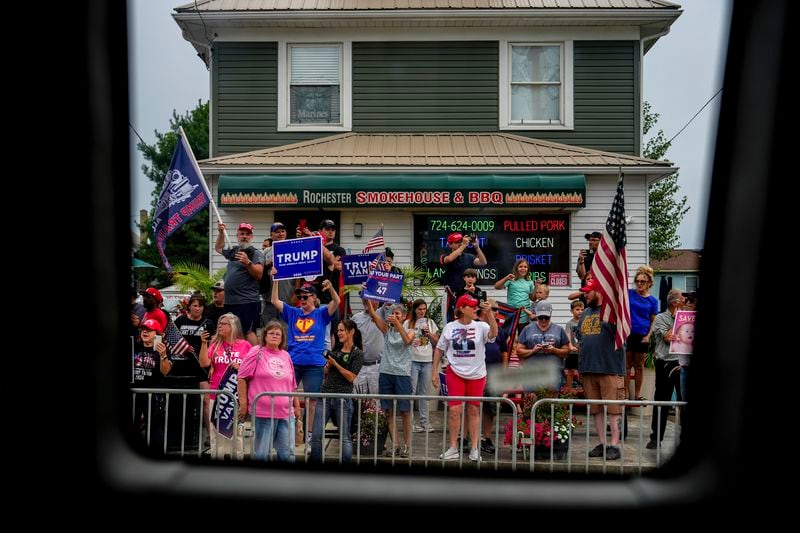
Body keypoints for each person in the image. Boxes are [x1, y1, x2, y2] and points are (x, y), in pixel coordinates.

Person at [271, 270, 340, 441]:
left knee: (313, 402)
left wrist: (331, 288)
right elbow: (274, 300)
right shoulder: (293, 312)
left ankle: (309, 436)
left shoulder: (321, 313)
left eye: (305, 297)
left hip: (314, 364)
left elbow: (336, 301)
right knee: (286, 397)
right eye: (300, 297)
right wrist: (276, 278)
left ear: (314, 298)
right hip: (293, 362)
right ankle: (286, 430)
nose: (302, 300)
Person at [432, 294, 497, 462]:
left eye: (476, 305)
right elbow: (439, 349)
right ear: (461, 308)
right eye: (471, 306)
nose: (475, 308)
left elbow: (494, 334)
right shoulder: (449, 327)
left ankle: (475, 447)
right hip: (455, 372)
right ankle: (453, 447)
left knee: (474, 409)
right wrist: (434, 372)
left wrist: (489, 314)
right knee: (454, 410)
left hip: (477, 374)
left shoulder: (481, 326)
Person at [576, 278, 625, 461]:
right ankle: (603, 443)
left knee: (613, 409)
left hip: (609, 368)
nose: (585, 295)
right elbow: (580, 337)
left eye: (588, 291)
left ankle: (615, 444)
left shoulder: (612, 312)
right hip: (589, 368)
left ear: (599, 292)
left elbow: (622, 332)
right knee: (596, 409)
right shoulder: (586, 312)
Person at [238, 320, 297, 463]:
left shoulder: (286, 355)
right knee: (261, 453)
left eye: (278, 334)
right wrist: (244, 404)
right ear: (264, 335)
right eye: (271, 333)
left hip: (286, 413)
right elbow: (242, 377)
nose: (275, 336)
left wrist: (297, 411)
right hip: (262, 412)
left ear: (282, 337)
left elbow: (292, 385)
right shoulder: (255, 351)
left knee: (288, 453)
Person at [198, 313, 252, 460]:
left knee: (237, 433)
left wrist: (240, 366)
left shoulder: (245, 345)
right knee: (216, 433)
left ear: (233, 326)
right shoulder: (215, 345)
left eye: (224, 323)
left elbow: (252, 368)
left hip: (236, 394)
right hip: (216, 394)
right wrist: (203, 343)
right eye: (219, 323)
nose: (220, 326)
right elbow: (204, 363)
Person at [310, 319, 364, 463]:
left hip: (343, 398)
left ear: (351, 332)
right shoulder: (336, 349)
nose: (338, 333)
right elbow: (326, 371)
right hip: (325, 396)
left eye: (341, 330)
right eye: (338, 330)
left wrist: (336, 364)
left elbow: (351, 377)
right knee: (316, 434)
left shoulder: (358, 353)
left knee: (344, 436)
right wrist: (328, 365)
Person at [369, 302, 415, 457]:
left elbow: (407, 342)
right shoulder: (387, 330)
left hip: (402, 374)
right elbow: (373, 315)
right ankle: (395, 444)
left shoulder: (410, 331)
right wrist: (368, 297)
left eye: (398, 314)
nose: (394, 316)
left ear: (404, 317)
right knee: (388, 411)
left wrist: (397, 325)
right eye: (392, 313)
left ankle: (407, 446)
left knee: (405, 412)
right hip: (386, 372)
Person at [646, 288, 685, 450]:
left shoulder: (689, 317)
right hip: (665, 363)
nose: (685, 302)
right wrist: (677, 321)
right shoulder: (661, 318)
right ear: (675, 303)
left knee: (684, 401)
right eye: (683, 299)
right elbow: (668, 338)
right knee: (662, 400)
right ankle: (656, 437)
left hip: (683, 363)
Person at [215, 221, 264, 345]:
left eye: (248, 234)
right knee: (232, 332)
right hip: (230, 302)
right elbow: (218, 248)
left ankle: (254, 360)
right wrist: (221, 233)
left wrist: (248, 263)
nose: (244, 236)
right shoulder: (233, 250)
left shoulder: (255, 253)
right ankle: (237, 359)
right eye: (242, 233)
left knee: (248, 332)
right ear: (237, 235)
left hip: (247, 301)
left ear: (251, 237)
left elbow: (259, 274)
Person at [131, 318, 170, 450]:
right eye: (143, 329)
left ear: (157, 334)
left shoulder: (161, 350)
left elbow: (165, 372)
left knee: (154, 427)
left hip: (153, 395)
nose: (145, 332)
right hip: (135, 393)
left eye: (149, 330)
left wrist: (163, 355)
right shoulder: (134, 346)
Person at [516, 301, 570, 390]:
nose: (543, 319)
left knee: (551, 401)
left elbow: (567, 352)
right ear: (536, 315)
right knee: (531, 401)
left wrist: (554, 350)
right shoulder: (527, 329)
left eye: (546, 317)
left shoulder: (559, 329)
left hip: (553, 372)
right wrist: (533, 351)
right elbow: (519, 351)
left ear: (551, 314)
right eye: (541, 317)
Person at [405, 299, 440, 433]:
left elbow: (437, 342)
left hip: (426, 360)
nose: (422, 311)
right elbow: (404, 340)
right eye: (419, 309)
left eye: (424, 309)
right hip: (412, 359)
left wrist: (429, 333)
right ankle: (411, 423)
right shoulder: (408, 323)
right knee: (412, 392)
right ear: (414, 309)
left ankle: (425, 422)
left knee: (424, 392)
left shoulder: (430, 322)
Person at [626, 266, 659, 400]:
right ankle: (625, 394)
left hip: (642, 335)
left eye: (643, 281)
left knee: (639, 366)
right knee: (627, 365)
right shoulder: (629, 293)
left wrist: (648, 336)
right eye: (637, 281)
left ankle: (638, 394)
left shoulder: (653, 301)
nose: (639, 284)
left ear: (649, 283)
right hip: (628, 333)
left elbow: (653, 321)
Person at [440, 233, 487, 319]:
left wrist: (477, 247)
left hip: (467, 293)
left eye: (461, 241)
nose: (460, 243)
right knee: (452, 320)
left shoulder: (469, 257)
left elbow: (483, 262)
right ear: (450, 244)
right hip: (452, 295)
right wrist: (464, 245)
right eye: (457, 242)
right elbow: (449, 259)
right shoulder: (445, 256)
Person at [260, 222, 292, 326]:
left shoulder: (293, 249)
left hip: (287, 298)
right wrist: (269, 264)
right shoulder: (266, 252)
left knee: (286, 331)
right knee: (269, 329)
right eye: (277, 232)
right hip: (269, 299)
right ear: (271, 235)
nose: (280, 234)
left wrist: (295, 292)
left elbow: (298, 274)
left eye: (282, 231)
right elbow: (260, 271)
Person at [494, 258, 536, 326]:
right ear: (516, 268)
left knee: (522, 335)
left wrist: (536, 286)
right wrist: (506, 278)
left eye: (525, 267)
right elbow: (496, 286)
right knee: (511, 335)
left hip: (525, 314)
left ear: (528, 269)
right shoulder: (511, 279)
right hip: (511, 313)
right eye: (520, 266)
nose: (523, 268)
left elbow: (533, 298)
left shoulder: (530, 282)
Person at [563, 299, 584, 392]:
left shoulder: (584, 322)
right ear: (572, 311)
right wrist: (570, 345)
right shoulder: (569, 323)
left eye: (582, 309)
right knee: (571, 371)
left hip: (583, 351)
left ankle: (585, 388)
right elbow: (567, 334)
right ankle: (569, 389)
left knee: (583, 371)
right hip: (572, 351)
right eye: (577, 309)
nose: (580, 311)